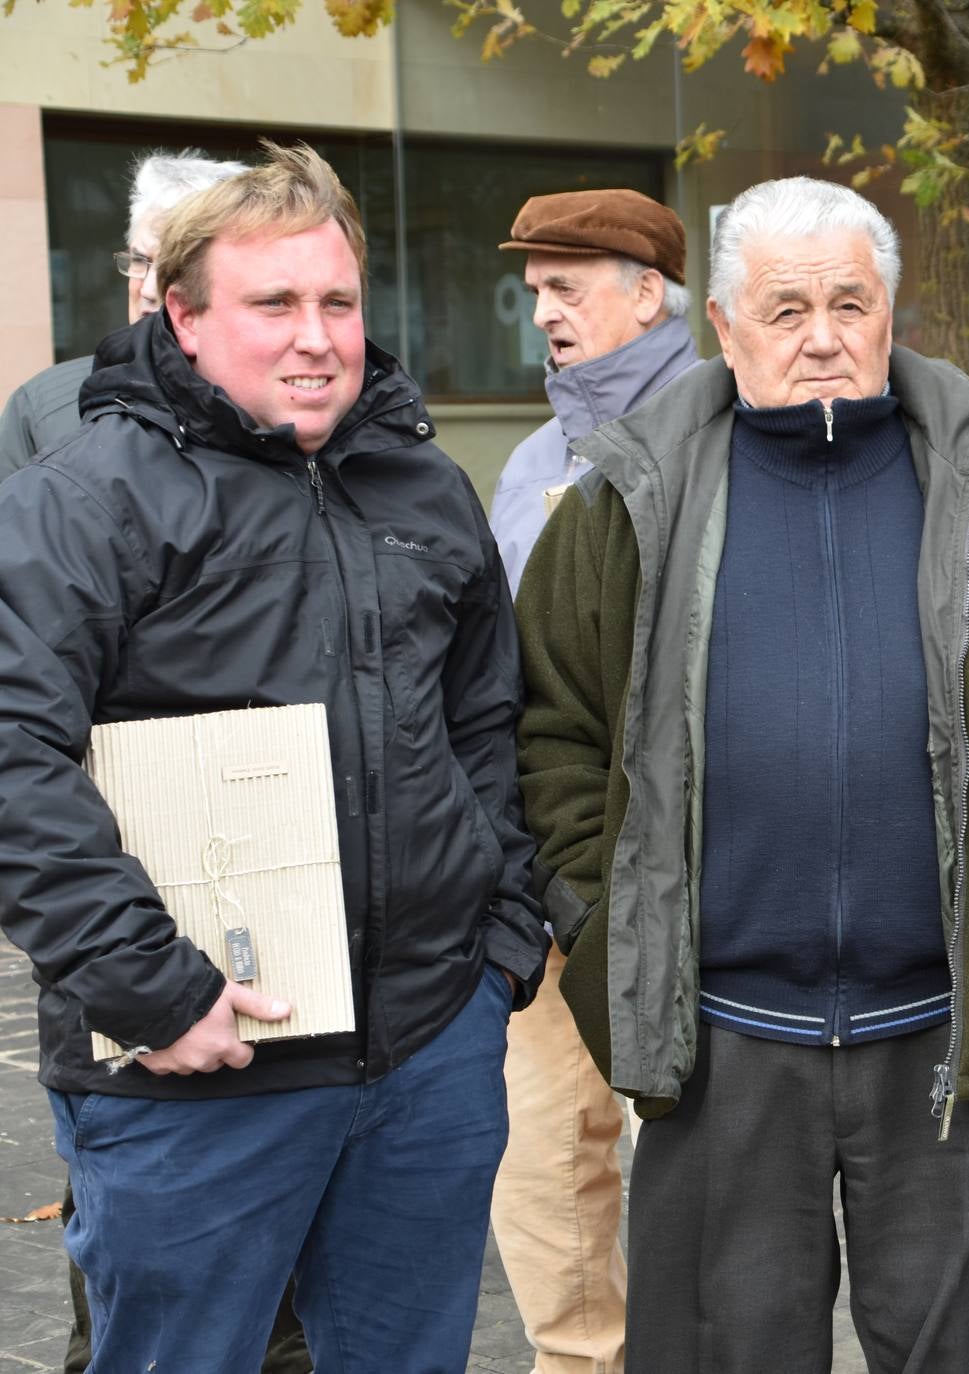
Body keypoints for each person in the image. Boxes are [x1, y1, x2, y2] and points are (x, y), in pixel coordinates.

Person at [515, 175, 969, 1372]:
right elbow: (555, 741)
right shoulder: (619, 506)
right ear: (722, 325)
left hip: (950, 1037)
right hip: (721, 1048)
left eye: (850, 302)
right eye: (785, 307)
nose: (822, 336)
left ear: (891, 314)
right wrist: (603, 936)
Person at [0, 141, 549, 1371]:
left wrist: (496, 955)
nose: (317, 338)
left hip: (423, 1060)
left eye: (338, 302)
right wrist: (151, 990)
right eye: (275, 305)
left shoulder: (424, 487)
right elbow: (10, 759)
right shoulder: (82, 502)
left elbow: (485, 725)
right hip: (196, 1072)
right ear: (181, 317)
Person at [487, 186, 698, 1374]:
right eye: (534, 295)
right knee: (547, 1151)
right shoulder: (528, 462)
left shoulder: (723, 431)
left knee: (688, 1148)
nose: (545, 315)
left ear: (647, 294)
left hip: (690, 873)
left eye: (567, 288)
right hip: (544, 873)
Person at [0, 149, 243, 480]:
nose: (147, 290)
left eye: (175, 268)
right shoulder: (42, 409)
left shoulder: (281, 400)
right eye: (140, 261)